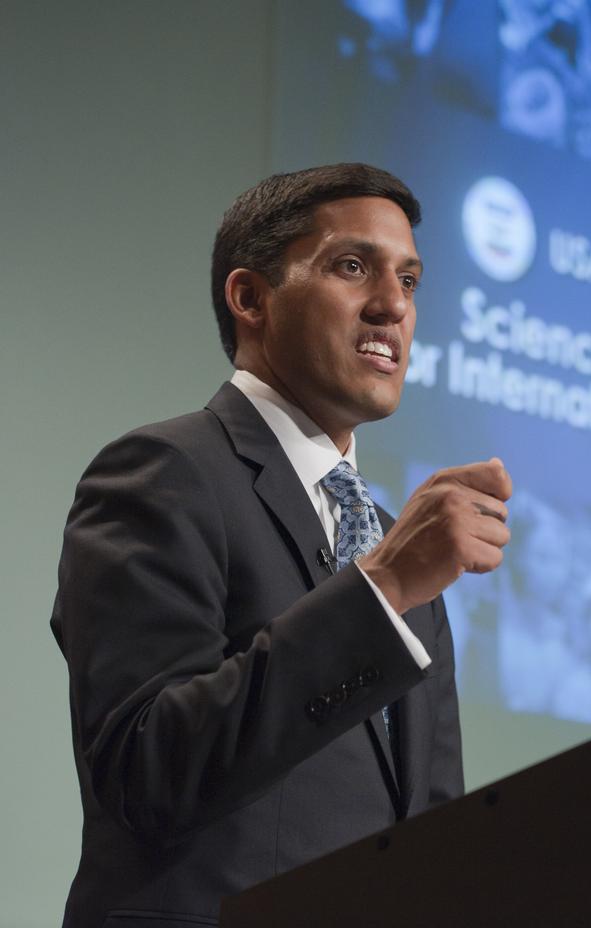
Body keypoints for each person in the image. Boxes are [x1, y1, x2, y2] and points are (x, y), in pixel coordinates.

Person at [50, 163, 513, 928]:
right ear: (250, 298)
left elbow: (434, 832)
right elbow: (148, 768)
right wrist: (383, 588)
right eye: (352, 266)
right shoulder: (163, 474)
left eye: (410, 279)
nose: (393, 306)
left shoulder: (397, 547)